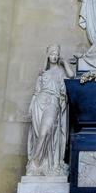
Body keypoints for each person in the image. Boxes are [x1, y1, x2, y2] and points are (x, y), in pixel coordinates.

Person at [25, 44, 72, 177]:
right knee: (38, 133)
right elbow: (36, 93)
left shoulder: (61, 72)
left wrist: (64, 62)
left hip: (53, 102)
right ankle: (36, 166)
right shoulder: (42, 74)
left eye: (56, 54)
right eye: (52, 54)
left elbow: (71, 75)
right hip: (39, 103)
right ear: (48, 56)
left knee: (45, 131)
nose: (54, 56)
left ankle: (36, 161)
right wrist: (31, 106)